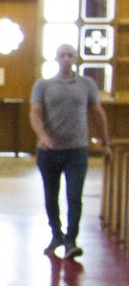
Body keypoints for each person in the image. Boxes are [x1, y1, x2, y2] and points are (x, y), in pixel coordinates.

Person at [30, 41, 112, 260]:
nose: (66, 59)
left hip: (76, 150)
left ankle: (71, 240)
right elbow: (35, 113)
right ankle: (56, 233)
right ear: (56, 59)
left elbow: (97, 113)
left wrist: (106, 143)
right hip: (49, 151)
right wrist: (42, 136)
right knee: (51, 195)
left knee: (74, 196)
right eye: (62, 55)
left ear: (76, 58)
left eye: (70, 55)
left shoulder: (86, 85)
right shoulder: (43, 85)